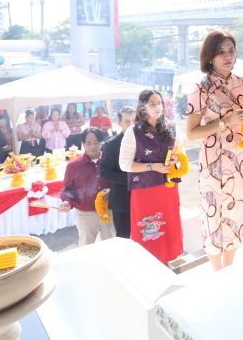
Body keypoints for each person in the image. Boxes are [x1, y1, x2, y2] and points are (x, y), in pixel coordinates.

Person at [186, 30, 243, 271]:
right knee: (214, 217)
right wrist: (226, 121)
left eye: (231, 50)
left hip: (240, 157)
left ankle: (231, 268)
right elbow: (191, 132)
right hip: (214, 161)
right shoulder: (201, 88)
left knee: (237, 212)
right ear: (210, 56)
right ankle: (218, 272)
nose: (227, 56)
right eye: (220, 52)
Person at [119, 90, 183, 263]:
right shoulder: (133, 132)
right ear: (143, 107)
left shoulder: (171, 127)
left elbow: (180, 155)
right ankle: (148, 267)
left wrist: (176, 160)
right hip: (145, 191)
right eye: (152, 104)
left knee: (169, 227)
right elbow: (124, 164)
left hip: (168, 188)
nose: (157, 107)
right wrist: (153, 167)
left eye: (159, 103)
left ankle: (169, 262)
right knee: (149, 231)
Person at [60, 128, 114, 246]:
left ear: (101, 143)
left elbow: (118, 181)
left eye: (96, 142)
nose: (93, 147)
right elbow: (68, 189)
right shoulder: (73, 165)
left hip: (108, 210)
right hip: (85, 213)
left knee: (111, 245)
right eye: (88, 143)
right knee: (86, 246)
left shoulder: (110, 161)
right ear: (83, 144)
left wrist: (113, 191)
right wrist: (67, 201)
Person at [99, 107, 136, 239]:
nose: (132, 124)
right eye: (127, 121)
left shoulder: (144, 142)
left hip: (143, 197)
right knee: (123, 238)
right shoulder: (111, 144)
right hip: (122, 200)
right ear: (119, 123)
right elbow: (105, 172)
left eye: (134, 120)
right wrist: (132, 178)